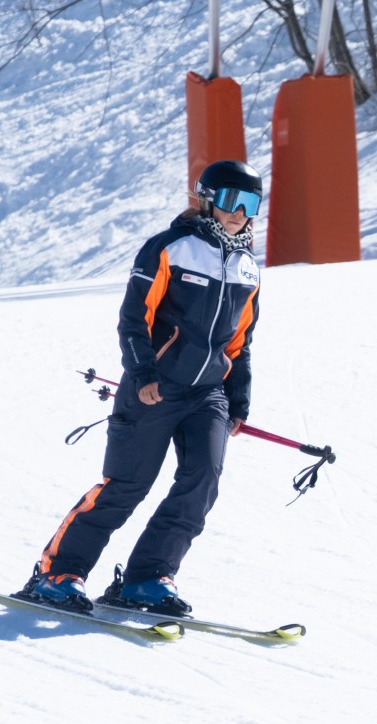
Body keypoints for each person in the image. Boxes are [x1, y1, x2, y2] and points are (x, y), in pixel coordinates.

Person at [18, 159, 265, 618]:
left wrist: (238, 400)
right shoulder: (170, 248)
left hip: (208, 395)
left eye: (251, 203)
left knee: (201, 483)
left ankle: (147, 578)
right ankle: (57, 574)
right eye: (232, 200)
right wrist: (143, 372)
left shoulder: (248, 268)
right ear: (207, 200)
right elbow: (135, 318)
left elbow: (239, 342)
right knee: (127, 486)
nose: (240, 212)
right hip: (155, 388)